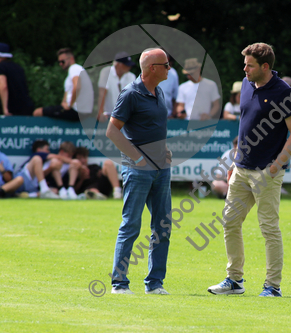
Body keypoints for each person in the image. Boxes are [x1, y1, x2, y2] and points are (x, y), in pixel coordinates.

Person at [208, 43, 291, 297]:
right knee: (229, 222)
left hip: (267, 172)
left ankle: (272, 286)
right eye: (245, 64)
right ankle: (234, 280)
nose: (244, 68)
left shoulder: (284, 93)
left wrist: (276, 164)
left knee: (268, 228)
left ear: (265, 67)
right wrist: (235, 161)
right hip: (241, 169)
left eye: (249, 65)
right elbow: (243, 124)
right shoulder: (246, 84)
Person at [106, 47, 172, 295]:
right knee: (131, 225)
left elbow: (154, 128)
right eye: (166, 64)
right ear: (152, 68)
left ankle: (155, 283)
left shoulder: (160, 91)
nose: (169, 68)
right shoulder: (131, 94)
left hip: (161, 170)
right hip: (139, 170)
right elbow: (112, 131)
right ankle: (119, 283)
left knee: (162, 227)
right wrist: (138, 159)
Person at [33, 48, 86, 121]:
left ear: (71, 58)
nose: (60, 64)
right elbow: (65, 99)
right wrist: (64, 105)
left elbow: (77, 86)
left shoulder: (74, 68)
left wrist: (70, 105)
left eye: (62, 61)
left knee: (37, 112)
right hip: (79, 111)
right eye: (59, 62)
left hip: (76, 110)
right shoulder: (71, 75)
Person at [0, 43, 35, 116]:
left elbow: (3, 86)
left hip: (13, 109)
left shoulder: (0, 68)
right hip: (26, 107)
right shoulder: (18, 67)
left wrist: (5, 109)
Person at [97, 51, 136, 120]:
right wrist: (100, 113)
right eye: (126, 65)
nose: (129, 67)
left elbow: (132, 97)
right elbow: (102, 93)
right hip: (108, 115)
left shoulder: (131, 76)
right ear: (118, 64)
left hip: (125, 117)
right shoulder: (106, 72)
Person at [158, 53, 179, 117]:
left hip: (168, 115)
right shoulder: (146, 72)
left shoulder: (173, 73)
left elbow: (175, 96)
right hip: (150, 117)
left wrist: (173, 114)